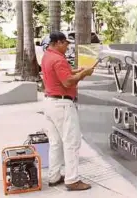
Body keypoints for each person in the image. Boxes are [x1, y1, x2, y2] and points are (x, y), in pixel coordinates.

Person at [41, 31, 96, 191]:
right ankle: (72, 180)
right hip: (62, 104)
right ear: (58, 42)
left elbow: (62, 74)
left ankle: (54, 176)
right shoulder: (58, 59)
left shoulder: (47, 56)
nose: (67, 47)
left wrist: (78, 70)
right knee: (72, 142)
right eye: (66, 43)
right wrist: (83, 73)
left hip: (50, 103)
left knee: (56, 142)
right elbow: (66, 81)